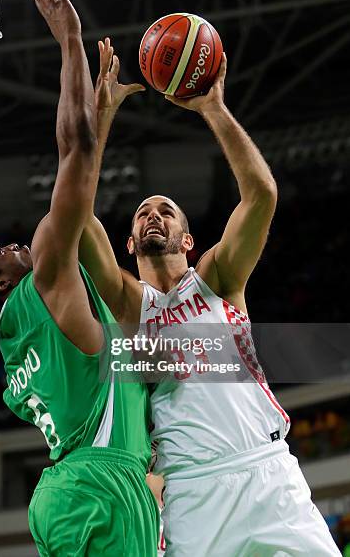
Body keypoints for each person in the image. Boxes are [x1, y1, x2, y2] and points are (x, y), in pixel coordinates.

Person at [79, 52, 341, 556]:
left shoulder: (218, 279)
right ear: (129, 243)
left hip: (267, 475)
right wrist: (100, 122)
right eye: (142, 213)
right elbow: (77, 218)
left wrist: (213, 109)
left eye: (167, 211)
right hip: (192, 492)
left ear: (187, 239)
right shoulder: (129, 305)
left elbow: (261, 194)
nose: (154, 215)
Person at [0, 0, 158, 557]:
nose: (13, 244)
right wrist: (70, 42)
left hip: (63, 492)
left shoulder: (23, 340)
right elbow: (74, 151)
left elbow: (81, 199)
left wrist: (103, 120)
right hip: (100, 482)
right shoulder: (43, 279)